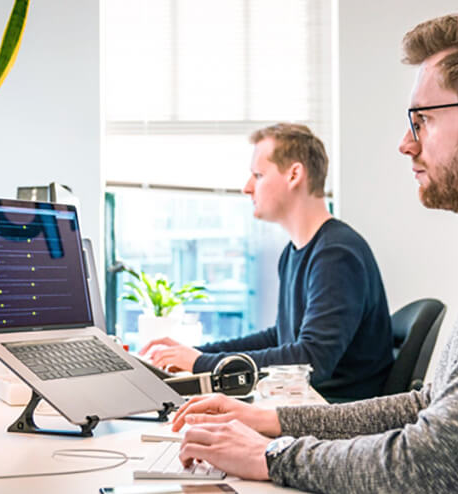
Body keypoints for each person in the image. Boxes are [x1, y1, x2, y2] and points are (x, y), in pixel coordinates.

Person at [166, 5, 458, 492]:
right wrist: (273, 421)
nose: (405, 144)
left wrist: (270, 455)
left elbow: (432, 461)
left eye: (422, 121)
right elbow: (428, 405)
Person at [140, 123, 395, 401]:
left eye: (258, 175)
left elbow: (311, 361)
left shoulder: (336, 254)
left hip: (334, 414)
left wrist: (201, 364)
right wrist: (199, 354)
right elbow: (281, 337)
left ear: (294, 174)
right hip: (305, 404)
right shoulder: (295, 252)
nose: (246, 188)